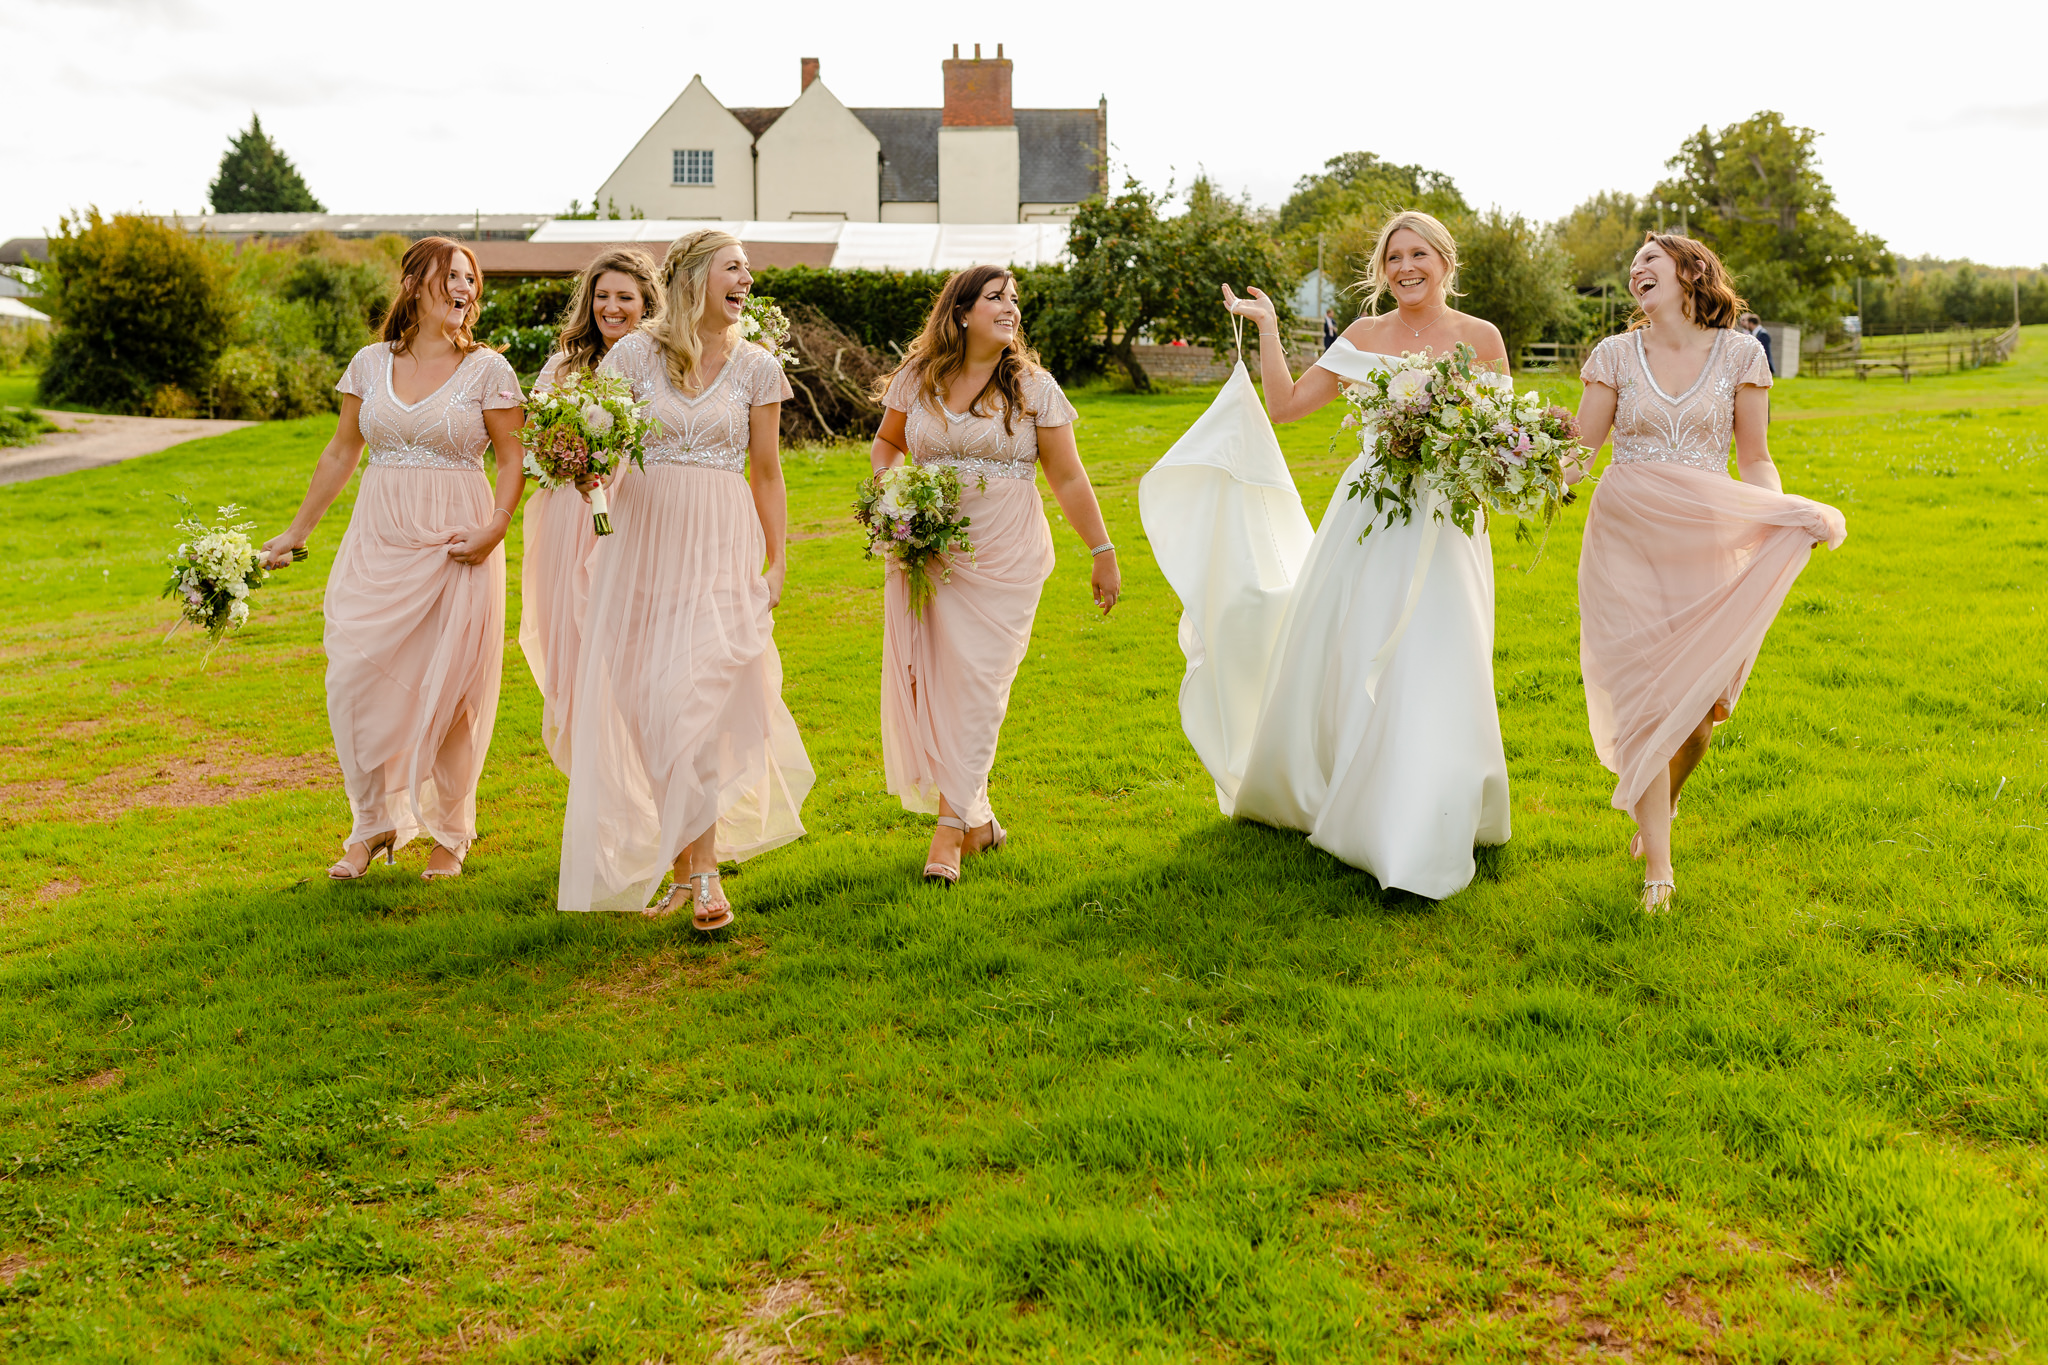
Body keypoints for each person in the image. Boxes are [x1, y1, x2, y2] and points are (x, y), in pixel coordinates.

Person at [1142, 210, 1511, 899]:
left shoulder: (1481, 338)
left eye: (1419, 254)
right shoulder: (1362, 336)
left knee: (1440, 651)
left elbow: (1498, 435)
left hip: (1448, 516)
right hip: (1370, 516)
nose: (1406, 266)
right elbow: (1283, 406)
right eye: (1394, 256)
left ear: (1444, 262)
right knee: (1357, 645)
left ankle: (1430, 806)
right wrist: (1270, 328)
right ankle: (1351, 795)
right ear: (1382, 269)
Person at [1570, 234, 1846, 911]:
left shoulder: (1741, 355)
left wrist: (1779, 512)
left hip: (1705, 534)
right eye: (1632, 265)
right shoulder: (1611, 354)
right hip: (1625, 537)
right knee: (1647, 698)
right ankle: (1658, 869)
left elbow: (1754, 457)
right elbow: (1579, 456)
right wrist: (1514, 455)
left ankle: (1664, 796)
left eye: (1649, 262)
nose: (1636, 270)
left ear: (1692, 273)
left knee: (1697, 716)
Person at [556, 229, 814, 928]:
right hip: (640, 545)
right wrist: (586, 472)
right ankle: (684, 866)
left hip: (721, 547)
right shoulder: (634, 354)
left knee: (694, 701)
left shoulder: (759, 366)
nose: (747, 281)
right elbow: (601, 447)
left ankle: (703, 873)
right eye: (735, 268)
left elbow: (766, 470)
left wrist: (778, 557)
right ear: (698, 276)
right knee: (651, 706)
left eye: (749, 271)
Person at [259, 237, 526, 882]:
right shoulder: (369, 364)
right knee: (355, 678)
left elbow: (515, 459)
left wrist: (495, 528)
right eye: (449, 277)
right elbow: (340, 452)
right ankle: (372, 822)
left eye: (470, 278)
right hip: (377, 540)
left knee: (449, 689)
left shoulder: (490, 370)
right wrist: (296, 533)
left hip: (457, 542)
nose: (464, 288)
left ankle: (450, 832)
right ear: (414, 284)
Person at [870, 265, 1121, 885]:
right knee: (937, 684)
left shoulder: (1034, 387)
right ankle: (978, 822)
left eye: (1014, 300)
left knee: (980, 686)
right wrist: (895, 497)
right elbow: (886, 445)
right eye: (995, 298)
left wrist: (1102, 548)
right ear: (960, 312)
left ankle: (949, 831)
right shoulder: (917, 379)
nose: (1010, 308)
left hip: (1006, 555)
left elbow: (1066, 475)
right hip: (929, 551)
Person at [519, 248, 661, 773]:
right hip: (568, 519)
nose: (612, 307)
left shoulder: (660, 363)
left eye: (625, 297)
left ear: (647, 302)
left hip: (635, 516)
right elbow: (532, 446)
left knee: (630, 656)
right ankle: (596, 795)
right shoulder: (563, 366)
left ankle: (647, 787)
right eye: (602, 296)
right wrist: (563, 460)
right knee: (575, 654)